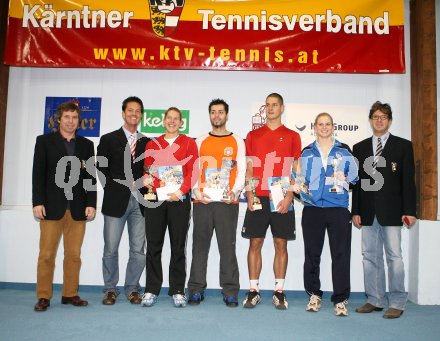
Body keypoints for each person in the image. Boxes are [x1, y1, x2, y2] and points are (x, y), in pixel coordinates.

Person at [352, 101, 417, 319]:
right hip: (368, 212)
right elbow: (358, 183)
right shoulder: (359, 148)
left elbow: (408, 182)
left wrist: (410, 210)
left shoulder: (403, 146)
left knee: (394, 257)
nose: (379, 120)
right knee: (369, 257)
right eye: (375, 116)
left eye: (383, 117)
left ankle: (397, 302)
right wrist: (356, 211)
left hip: (393, 212)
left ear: (389, 121)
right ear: (370, 120)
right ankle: (374, 299)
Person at [32, 102, 96, 312]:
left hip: (77, 208)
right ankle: (43, 296)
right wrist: (37, 202)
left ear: (79, 121)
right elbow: (38, 174)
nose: (71, 121)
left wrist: (91, 203)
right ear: (59, 119)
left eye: (74, 118)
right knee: (47, 254)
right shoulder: (44, 142)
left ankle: (70, 294)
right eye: (67, 117)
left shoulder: (86, 145)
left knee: (73, 255)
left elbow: (90, 177)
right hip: (51, 207)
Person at [242, 93, 301, 310]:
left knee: (280, 243)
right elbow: (249, 167)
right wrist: (249, 193)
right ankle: (253, 290)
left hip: (282, 196)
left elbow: (296, 170)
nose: (270, 108)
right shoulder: (253, 135)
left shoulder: (293, 136)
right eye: (267, 105)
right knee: (254, 243)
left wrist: (289, 196)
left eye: (274, 105)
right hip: (258, 195)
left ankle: (279, 291)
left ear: (282, 107)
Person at [297, 112, 358, 316]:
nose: (324, 127)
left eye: (328, 124)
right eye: (320, 124)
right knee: (312, 254)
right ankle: (314, 293)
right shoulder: (306, 152)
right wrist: (299, 188)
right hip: (313, 209)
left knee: (340, 254)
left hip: (338, 209)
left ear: (333, 127)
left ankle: (340, 299)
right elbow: (299, 180)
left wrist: (346, 178)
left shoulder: (344, 151)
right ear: (314, 127)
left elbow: (356, 178)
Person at [187, 99, 246, 307]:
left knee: (228, 248)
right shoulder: (200, 140)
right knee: (199, 247)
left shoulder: (237, 141)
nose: (217, 116)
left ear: (227, 115)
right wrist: (195, 190)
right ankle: (195, 289)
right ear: (209, 115)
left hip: (227, 202)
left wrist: (235, 191)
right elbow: (193, 169)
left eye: (221, 112)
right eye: (213, 112)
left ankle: (230, 290)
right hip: (202, 201)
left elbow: (242, 171)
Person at [141, 107, 198, 308]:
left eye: (176, 119)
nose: (172, 121)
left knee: (178, 246)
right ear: (163, 121)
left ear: (181, 123)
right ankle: (151, 289)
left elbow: (193, 172)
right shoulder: (152, 144)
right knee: (154, 246)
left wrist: (180, 191)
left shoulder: (189, 143)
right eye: (169, 118)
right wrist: (156, 187)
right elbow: (147, 172)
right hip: (156, 200)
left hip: (179, 201)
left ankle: (177, 290)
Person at [97, 96, 150, 305]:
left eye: (138, 111)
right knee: (110, 248)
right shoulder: (109, 139)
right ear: (123, 113)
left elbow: (150, 170)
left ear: (141, 115)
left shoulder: (147, 142)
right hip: (114, 201)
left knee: (138, 249)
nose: (134, 114)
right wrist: (119, 187)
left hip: (140, 202)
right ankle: (110, 289)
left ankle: (132, 288)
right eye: (130, 110)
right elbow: (101, 170)